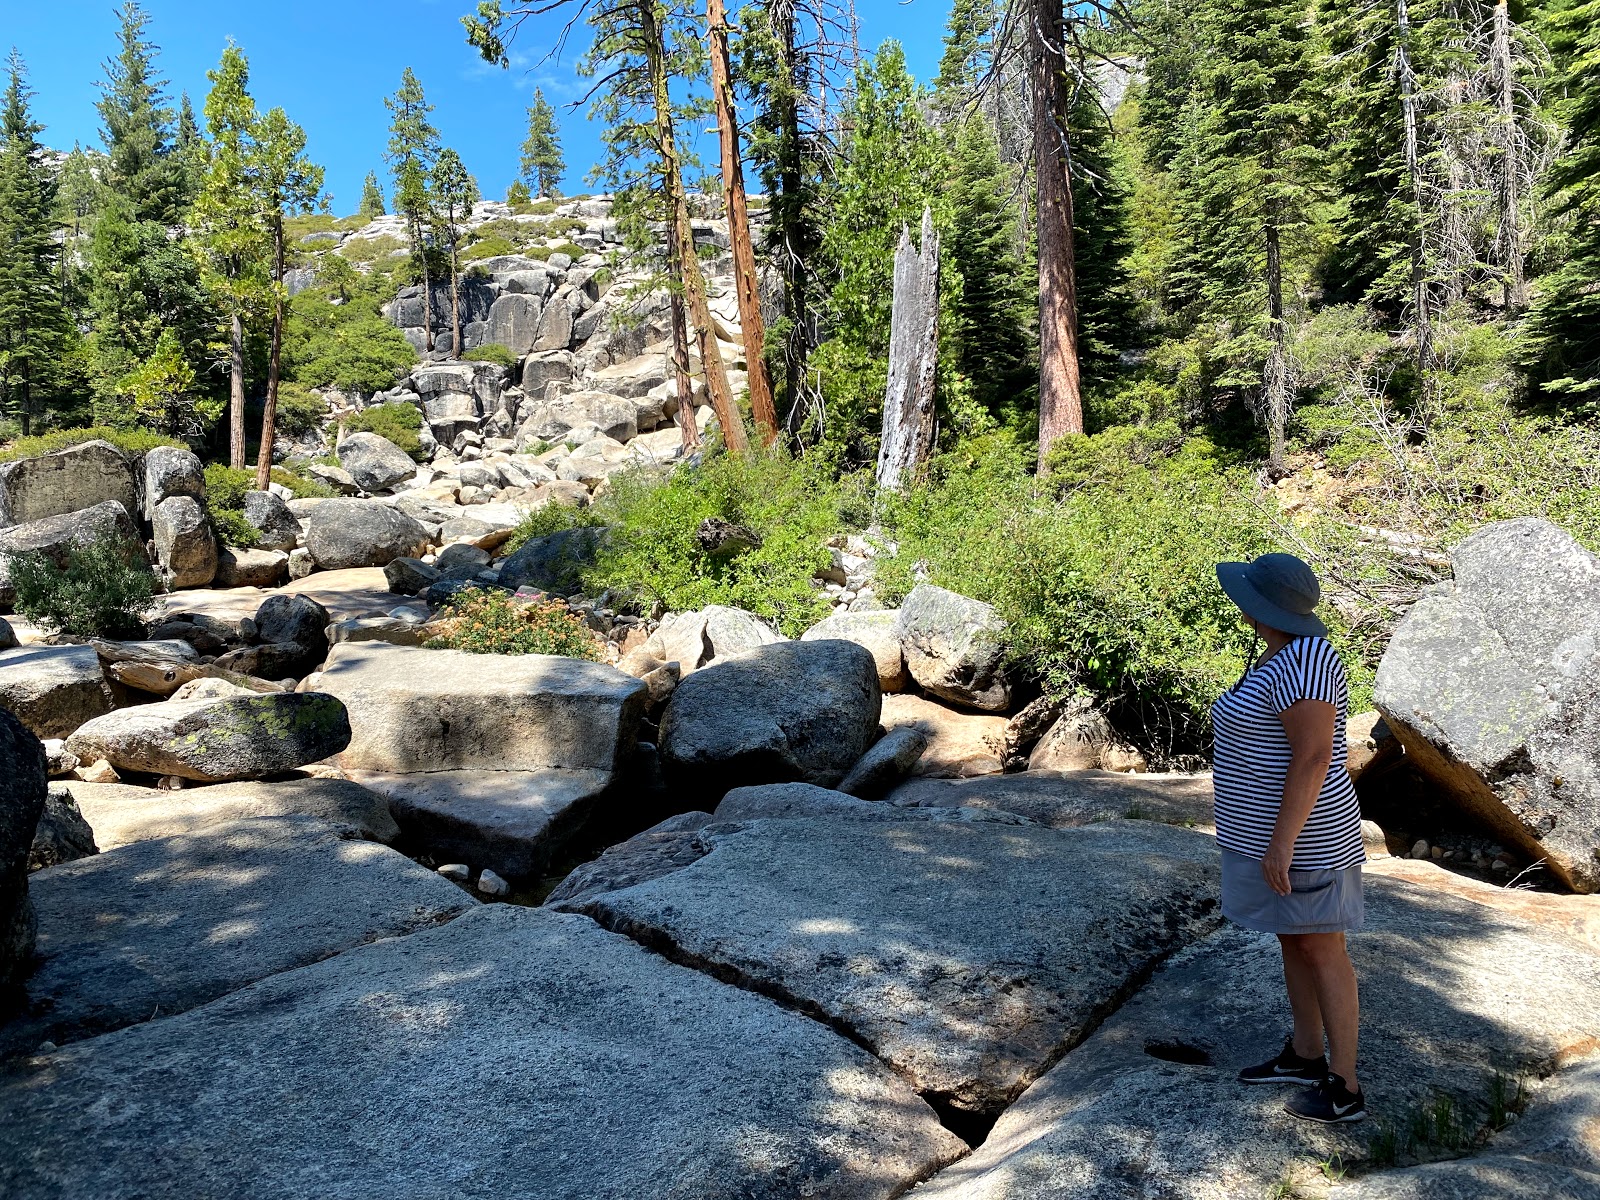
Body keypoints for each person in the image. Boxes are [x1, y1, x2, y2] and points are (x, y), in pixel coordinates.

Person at [1211, 552, 1367, 1124]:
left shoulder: (1306, 658)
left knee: (1322, 947)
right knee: (1293, 938)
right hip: (1272, 837)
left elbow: (1316, 756)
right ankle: (1305, 1053)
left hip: (1309, 841)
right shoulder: (1281, 655)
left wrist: (1282, 842)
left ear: (1262, 606)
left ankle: (1344, 1086)